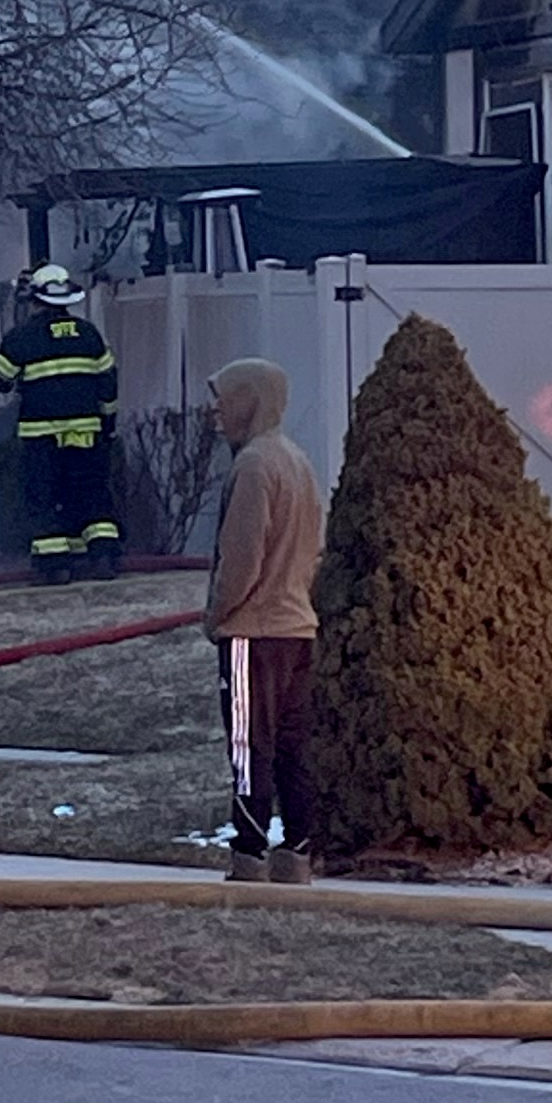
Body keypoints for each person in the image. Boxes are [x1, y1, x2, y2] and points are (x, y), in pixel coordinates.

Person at [207, 355, 325, 877]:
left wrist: (217, 616)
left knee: (247, 745)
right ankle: (296, 850)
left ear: (248, 402)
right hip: (298, 628)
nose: (215, 412)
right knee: (292, 748)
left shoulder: (253, 465)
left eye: (223, 400)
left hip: (251, 633)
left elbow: (241, 557)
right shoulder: (297, 461)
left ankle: (249, 853)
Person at [0, 266, 123, 576]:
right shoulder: (89, 334)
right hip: (87, 430)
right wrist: (108, 421)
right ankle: (103, 556)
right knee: (91, 491)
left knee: (44, 494)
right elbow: (108, 382)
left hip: (41, 433)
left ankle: (53, 564)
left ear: (35, 298)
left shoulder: (22, 337)